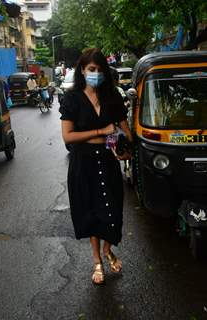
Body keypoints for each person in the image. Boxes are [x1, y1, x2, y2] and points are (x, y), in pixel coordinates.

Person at [59, 48, 132, 285]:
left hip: (108, 163)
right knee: (91, 213)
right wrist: (101, 132)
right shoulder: (72, 99)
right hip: (83, 167)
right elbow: (68, 137)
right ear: (82, 70)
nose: (96, 74)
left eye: (100, 70)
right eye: (92, 69)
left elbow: (121, 131)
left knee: (111, 212)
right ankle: (97, 261)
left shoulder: (112, 97)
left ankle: (108, 249)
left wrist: (121, 147)